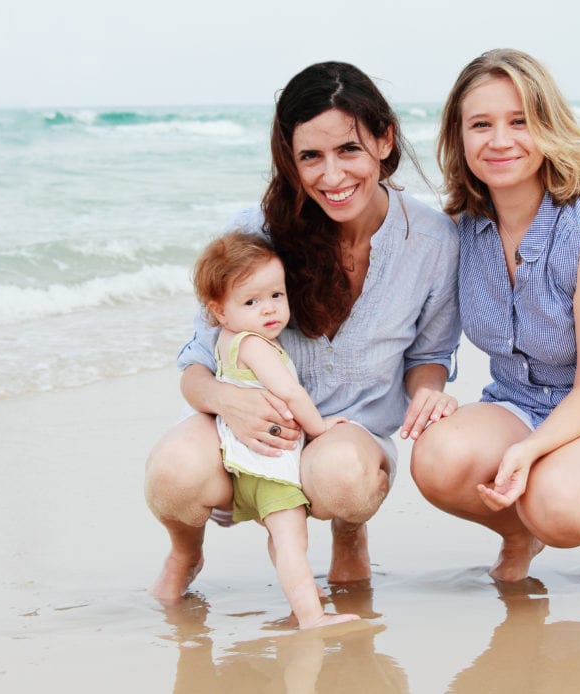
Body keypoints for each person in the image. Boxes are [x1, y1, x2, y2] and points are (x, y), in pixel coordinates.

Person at [145, 61, 461, 603]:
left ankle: (349, 531)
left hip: (348, 433)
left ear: (385, 140)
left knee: (343, 479)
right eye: (310, 156)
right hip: (242, 431)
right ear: (290, 161)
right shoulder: (254, 232)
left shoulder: (432, 240)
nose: (331, 177)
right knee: (172, 475)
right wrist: (229, 401)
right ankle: (185, 549)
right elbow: (195, 368)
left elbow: (428, 354)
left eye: (348, 150)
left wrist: (428, 391)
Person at [411, 48, 580, 582]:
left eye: (519, 121)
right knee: (437, 458)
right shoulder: (464, 230)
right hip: (521, 404)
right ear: (458, 136)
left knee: (556, 502)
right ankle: (521, 535)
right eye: (481, 124)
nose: (499, 140)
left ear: (548, 128)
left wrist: (529, 451)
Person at [191, 230, 358, 628]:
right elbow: (292, 393)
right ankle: (311, 616)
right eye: (251, 301)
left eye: (276, 296)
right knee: (291, 542)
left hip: (246, 467)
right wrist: (319, 429)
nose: (269, 309)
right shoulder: (255, 345)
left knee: (282, 541)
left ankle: (303, 592)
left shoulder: (229, 341)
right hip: (269, 467)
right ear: (220, 312)